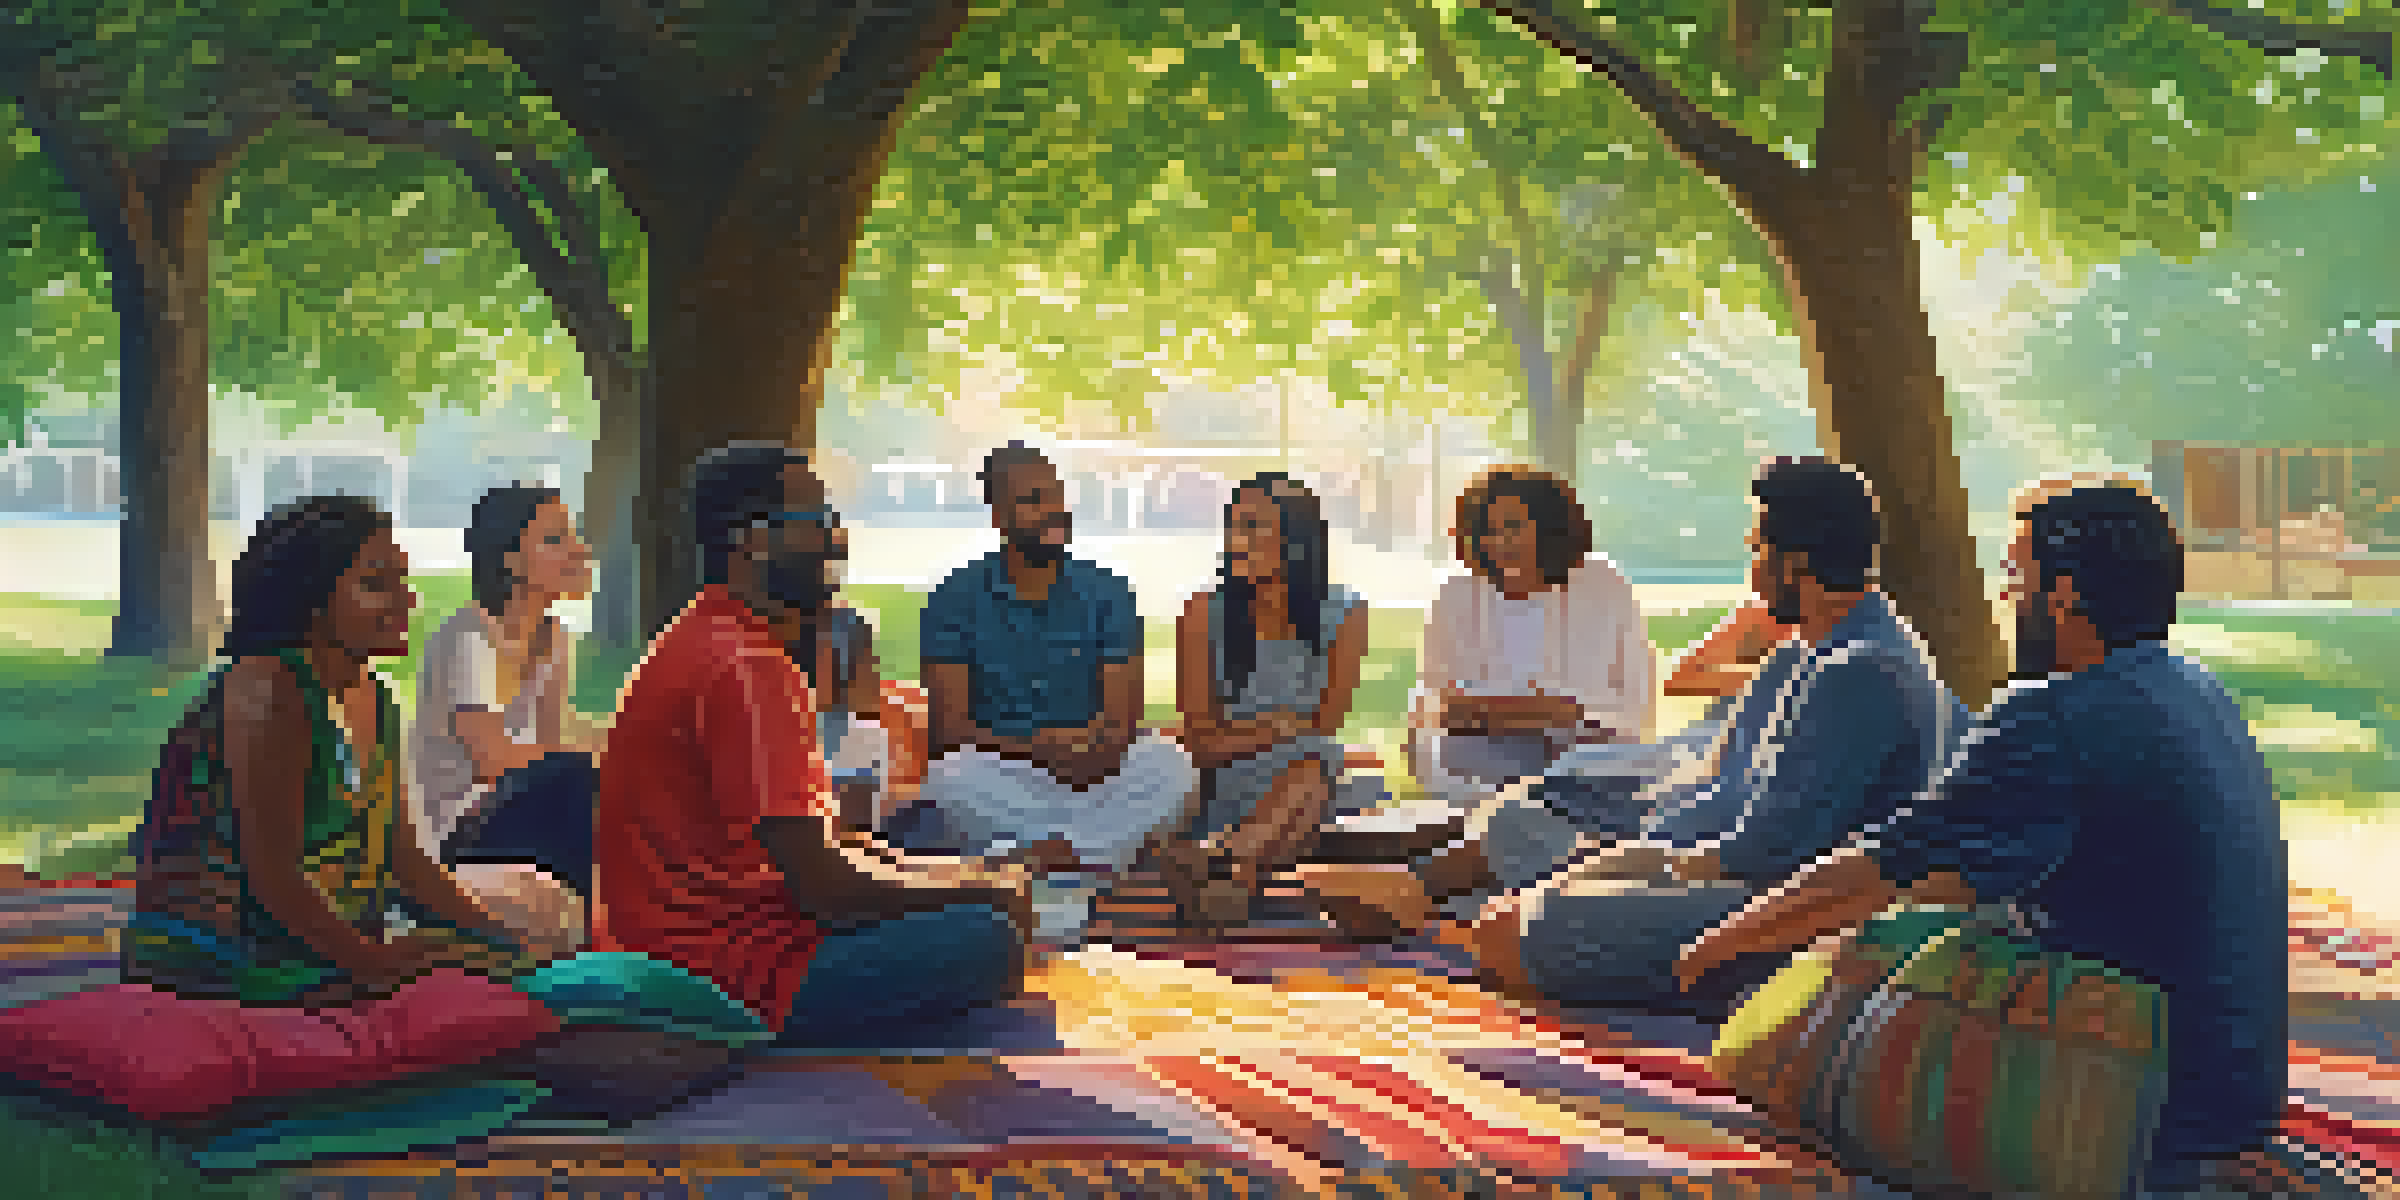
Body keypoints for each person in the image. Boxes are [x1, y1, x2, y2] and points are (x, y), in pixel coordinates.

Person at [1675, 477, 2287, 1190]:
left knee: (1839, 999)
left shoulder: (2049, 716)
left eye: (2014, 575)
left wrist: (1722, 942)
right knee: (1911, 927)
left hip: (2136, 1103)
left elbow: (1882, 868)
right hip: (2238, 1094)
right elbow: (1962, 869)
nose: (2005, 598)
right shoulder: (2197, 690)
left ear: (2064, 594)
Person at [1305, 458, 1960, 1016]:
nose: (1752, 570)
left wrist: (1627, 867)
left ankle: (1464, 900)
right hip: (1721, 858)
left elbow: (1764, 848)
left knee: (1508, 933)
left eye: (1758, 551)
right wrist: (1617, 858)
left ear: (1797, 563)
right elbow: (1717, 786)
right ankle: (1425, 889)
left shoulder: (1862, 672)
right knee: (1524, 867)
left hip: (1782, 912)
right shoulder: (1805, 655)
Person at [594, 443, 1040, 1044]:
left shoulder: (706, 636)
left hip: (695, 946)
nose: (838, 540)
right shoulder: (746, 665)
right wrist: (974, 887)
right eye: (818, 522)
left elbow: (815, 853)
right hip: (731, 976)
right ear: (753, 540)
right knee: (987, 936)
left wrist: (944, 873)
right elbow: (827, 890)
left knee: (946, 873)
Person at [124, 496, 544, 1007]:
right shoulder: (268, 689)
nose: (406, 601)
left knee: (509, 962)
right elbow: (275, 879)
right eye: (374, 585)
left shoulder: (378, 697)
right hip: (223, 949)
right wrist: (376, 964)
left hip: (326, 941)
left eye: (402, 581)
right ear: (310, 599)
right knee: (466, 988)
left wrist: (498, 936)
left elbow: (404, 860)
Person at [901, 442, 1199, 876]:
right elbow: (950, 730)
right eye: (1033, 500)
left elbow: (1120, 718)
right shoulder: (955, 597)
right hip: (1007, 772)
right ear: (1000, 518)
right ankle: (1103, 854)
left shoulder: (1108, 591)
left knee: (1171, 764)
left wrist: (1091, 751)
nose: (1054, 511)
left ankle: (1048, 857)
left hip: (1097, 771)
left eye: (1058, 496)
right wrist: (1039, 750)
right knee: (950, 777)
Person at [1153, 474, 1370, 931]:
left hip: (1299, 784)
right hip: (1222, 781)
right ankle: (1234, 875)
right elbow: (1202, 743)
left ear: (1296, 540)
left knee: (1316, 765)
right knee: (1313, 771)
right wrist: (1278, 727)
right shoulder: (1201, 614)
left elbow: (1325, 722)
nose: (1237, 540)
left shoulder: (1346, 615)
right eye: (1234, 526)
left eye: (1253, 527)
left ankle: (1222, 866)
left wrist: (1267, 731)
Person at [1406, 466, 1656, 813]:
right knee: (1461, 757)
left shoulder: (1603, 582)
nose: (1499, 543)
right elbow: (1440, 704)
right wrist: (1543, 712)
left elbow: (1635, 701)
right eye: (1488, 531)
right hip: (1485, 750)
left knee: (1596, 768)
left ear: (1550, 528)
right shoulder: (1456, 593)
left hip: (1588, 747)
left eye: (1513, 528)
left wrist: (1561, 715)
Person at [411, 485, 604, 908]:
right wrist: (593, 754)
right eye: (555, 540)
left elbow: (552, 740)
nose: (578, 551)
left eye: (573, 536)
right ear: (511, 560)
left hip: (516, 806)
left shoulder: (555, 639)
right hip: (456, 827)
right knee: (578, 776)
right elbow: (491, 760)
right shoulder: (470, 636)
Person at [772, 525, 895, 832]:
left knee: (867, 737)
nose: (828, 572)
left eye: (832, 561)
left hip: (832, 734)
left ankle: (855, 837)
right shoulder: (767, 621)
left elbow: (865, 705)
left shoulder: (851, 624)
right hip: (781, 733)